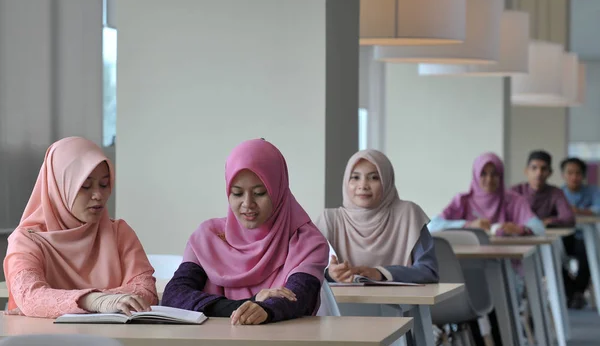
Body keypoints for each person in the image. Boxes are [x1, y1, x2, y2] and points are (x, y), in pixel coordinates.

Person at [161, 139, 329, 325]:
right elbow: (174, 296)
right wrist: (250, 304)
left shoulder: (307, 241)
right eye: (237, 193)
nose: (247, 204)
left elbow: (299, 298)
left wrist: (265, 309)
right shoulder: (209, 237)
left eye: (259, 193)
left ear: (278, 190)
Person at [3, 137, 157, 319]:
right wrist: (95, 301)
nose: (98, 195)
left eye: (104, 184)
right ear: (59, 187)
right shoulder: (26, 240)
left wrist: (56, 303)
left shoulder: (119, 233)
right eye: (85, 186)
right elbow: (31, 297)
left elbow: (146, 291)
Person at [315, 149, 438, 284]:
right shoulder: (330, 220)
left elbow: (428, 271)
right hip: (343, 304)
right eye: (355, 177)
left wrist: (380, 273)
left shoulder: (409, 214)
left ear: (386, 181)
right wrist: (330, 274)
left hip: (401, 304)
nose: (363, 185)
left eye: (374, 177)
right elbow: (309, 270)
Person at [429, 152, 545, 236]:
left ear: (501, 176)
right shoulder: (462, 201)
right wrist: (468, 225)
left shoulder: (513, 201)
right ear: (475, 176)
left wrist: (520, 229)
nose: (489, 179)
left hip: (505, 262)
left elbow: (540, 229)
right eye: (483, 174)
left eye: (494, 174)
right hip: (466, 263)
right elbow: (432, 226)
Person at [560, 157, 600, 308]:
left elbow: (598, 209)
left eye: (577, 173)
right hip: (564, 237)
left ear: (583, 176)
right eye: (570, 173)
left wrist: (578, 211)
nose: (574, 177)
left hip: (585, 238)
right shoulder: (558, 193)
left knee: (589, 253)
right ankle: (574, 292)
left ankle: (577, 293)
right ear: (563, 175)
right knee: (553, 255)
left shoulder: (593, 191)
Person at [510, 150, 574, 227]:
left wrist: (548, 222)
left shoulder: (556, 193)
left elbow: (568, 218)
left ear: (550, 173)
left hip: (548, 237)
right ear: (526, 171)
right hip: (517, 236)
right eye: (534, 168)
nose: (539, 173)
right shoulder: (515, 192)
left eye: (543, 169)